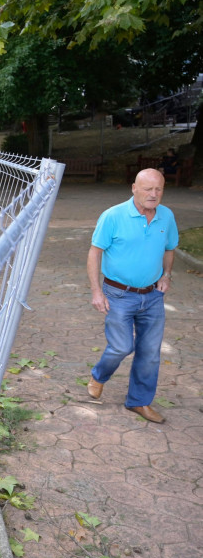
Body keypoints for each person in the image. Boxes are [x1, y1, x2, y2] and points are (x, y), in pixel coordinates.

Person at [86, 169, 179, 423]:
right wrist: (96, 291)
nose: (153, 194)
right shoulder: (113, 216)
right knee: (121, 346)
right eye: (148, 189)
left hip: (152, 296)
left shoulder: (166, 216)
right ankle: (99, 375)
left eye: (158, 189)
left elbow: (170, 248)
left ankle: (139, 402)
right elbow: (95, 253)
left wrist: (166, 275)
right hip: (118, 295)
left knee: (149, 353)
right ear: (133, 188)